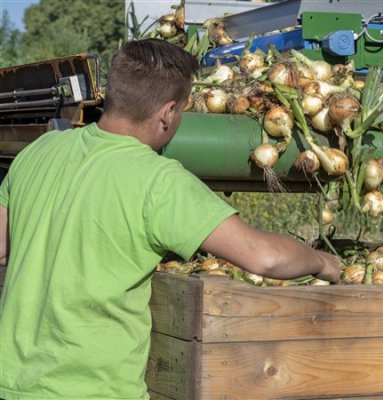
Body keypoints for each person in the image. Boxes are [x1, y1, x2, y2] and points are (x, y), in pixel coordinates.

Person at [0, 39, 341, 399]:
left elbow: (3, 249)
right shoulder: (159, 181)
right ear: (168, 113)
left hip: (11, 382)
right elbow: (265, 257)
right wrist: (321, 261)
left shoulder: (41, 149)